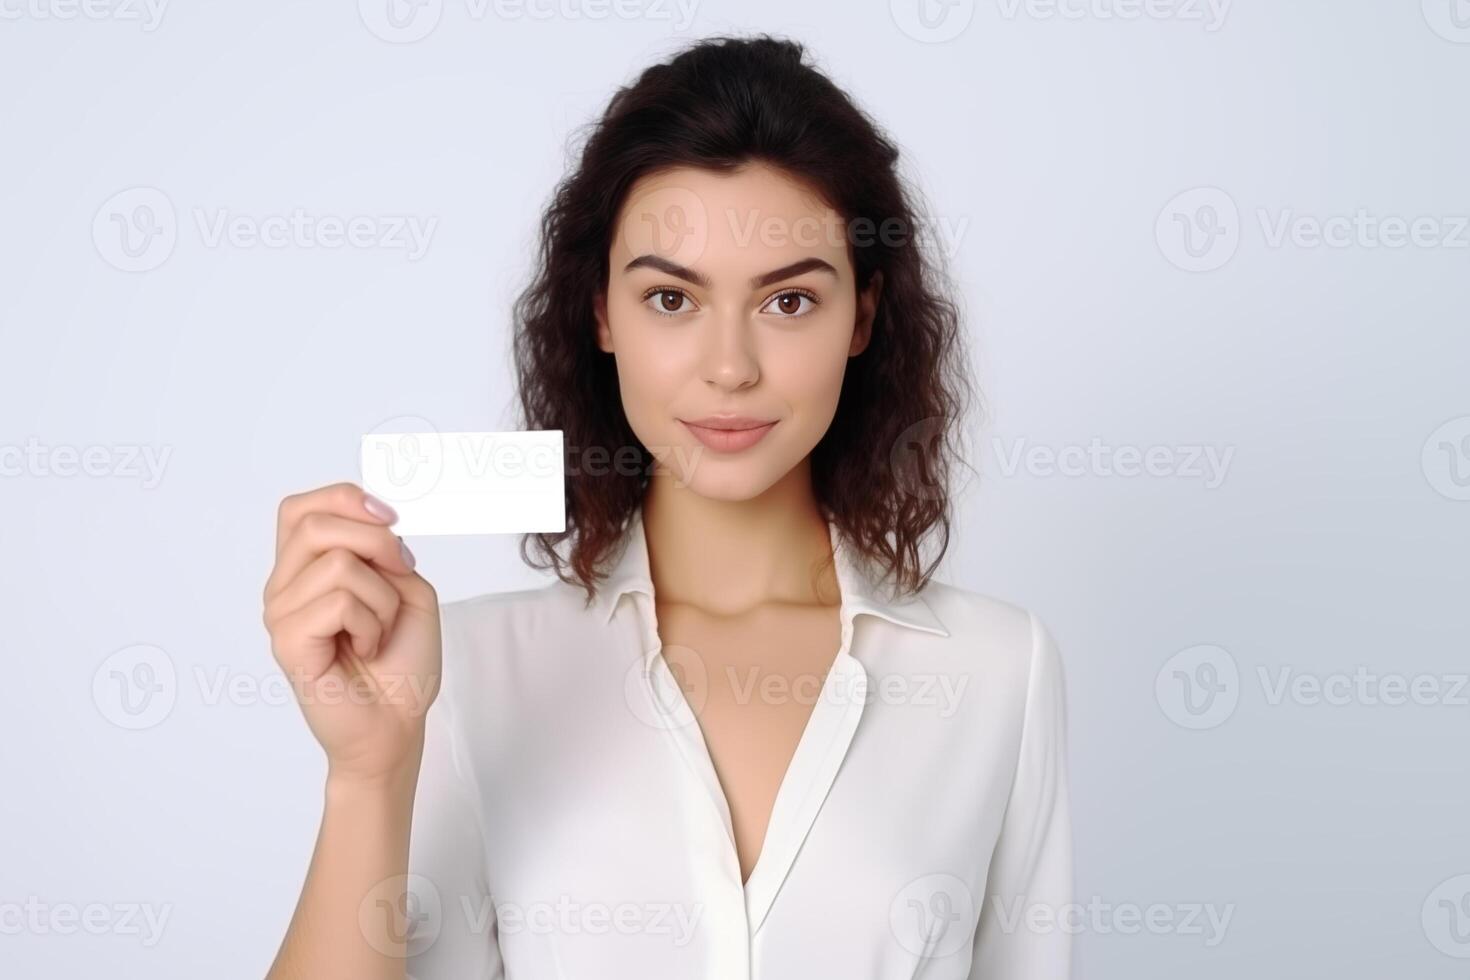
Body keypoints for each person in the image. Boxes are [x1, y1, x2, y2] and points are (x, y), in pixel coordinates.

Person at [262, 33, 1071, 980]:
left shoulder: (998, 670)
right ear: (601, 310)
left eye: (789, 303)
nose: (729, 367)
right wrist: (369, 772)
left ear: (863, 315)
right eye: (672, 300)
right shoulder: (460, 672)